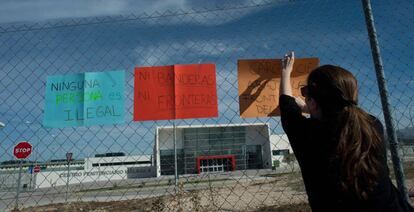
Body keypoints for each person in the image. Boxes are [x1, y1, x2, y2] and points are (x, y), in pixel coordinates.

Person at [279, 51, 413, 211]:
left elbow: (287, 105)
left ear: (313, 102)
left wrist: (285, 72)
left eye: (306, 92)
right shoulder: (372, 124)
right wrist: (312, 105)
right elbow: (340, 110)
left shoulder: (307, 133)